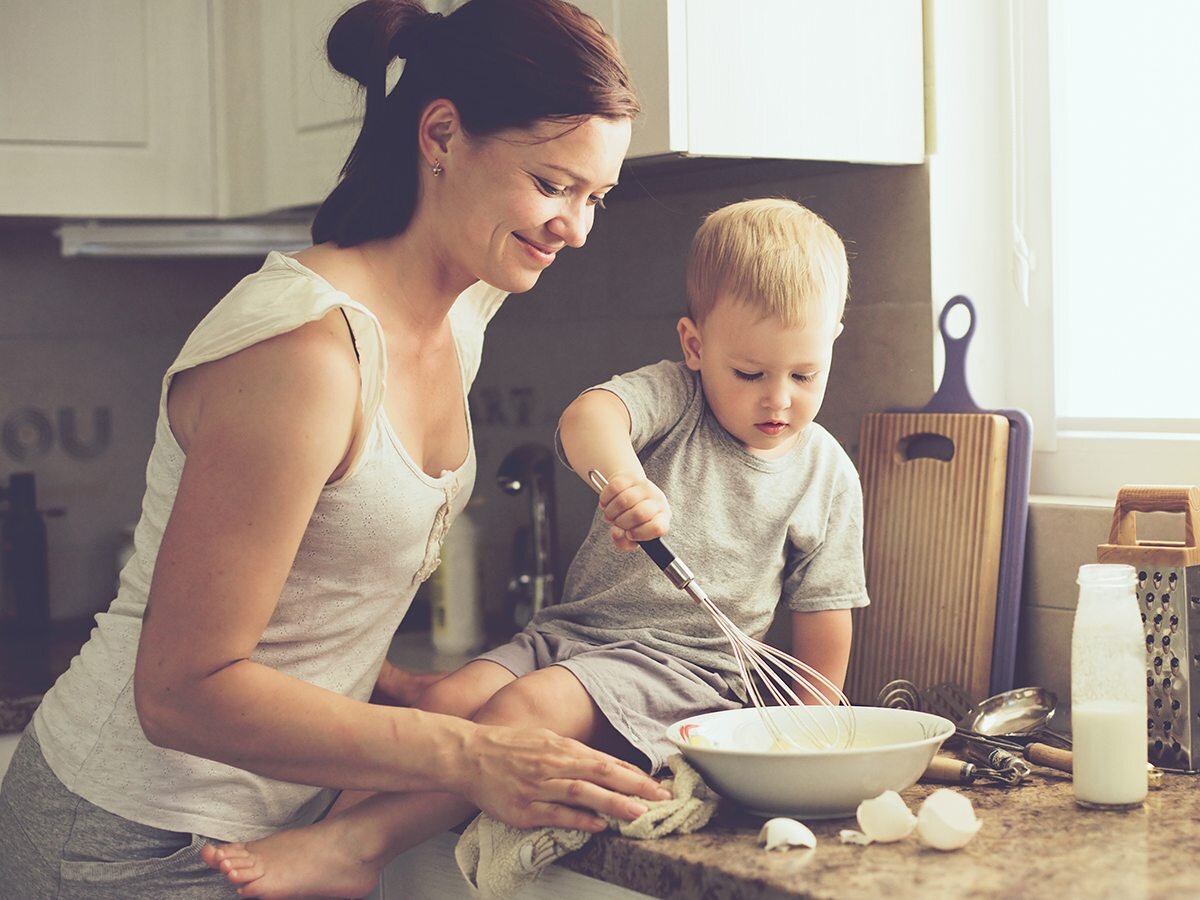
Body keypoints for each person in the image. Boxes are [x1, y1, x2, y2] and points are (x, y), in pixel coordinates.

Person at [0, 0, 671, 896]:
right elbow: (179, 689)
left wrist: (397, 685)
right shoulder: (305, 353)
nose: (577, 228)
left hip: (273, 823)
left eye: (597, 197)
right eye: (553, 185)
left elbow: (307, 599)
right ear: (441, 134)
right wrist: (466, 754)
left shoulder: (464, 305)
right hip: (128, 835)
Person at [202, 197, 870, 898]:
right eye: (750, 373)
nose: (779, 400)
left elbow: (822, 656)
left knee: (523, 714)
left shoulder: (826, 476)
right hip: (571, 635)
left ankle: (357, 846)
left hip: (684, 676)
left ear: (833, 344)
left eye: (804, 374)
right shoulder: (675, 398)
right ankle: (322, 839)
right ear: (695, 346)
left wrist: (798, 757)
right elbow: (591, 416)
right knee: (451, 701)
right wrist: (625, 476)